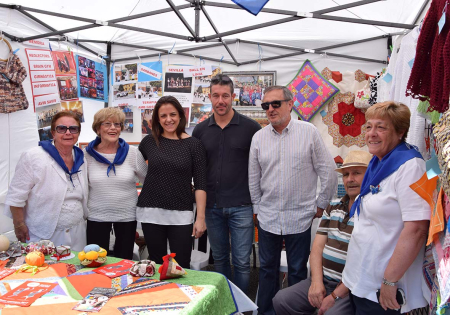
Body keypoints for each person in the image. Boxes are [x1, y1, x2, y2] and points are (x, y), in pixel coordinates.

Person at [249, 85, 337, 315]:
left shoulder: (309, 132)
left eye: (275, 104)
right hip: (268, 217)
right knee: (267, 270)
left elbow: (327, 170)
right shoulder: (258, 138)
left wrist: (321, 203)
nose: (270, 109)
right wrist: (257, 208)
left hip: (300, 216)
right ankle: (266, 312)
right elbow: (253, 177)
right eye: (265, 105)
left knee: (298, 271)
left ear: (291, 104)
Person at [342, 101, 430, 314]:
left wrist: (390, 282)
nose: (372, 133)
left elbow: (417, 229)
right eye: (369, 127)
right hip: (363, 280)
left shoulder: (411, 167)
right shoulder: (377, 162)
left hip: (384, 288)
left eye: (381, 127)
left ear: (400, 132)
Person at [272, 150, 372, 315]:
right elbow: (317, 248)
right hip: (324, 280)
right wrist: (316, 283)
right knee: (281, 300)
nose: (350, 179)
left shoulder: (371, 210)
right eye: (346, 174)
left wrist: (334, 295)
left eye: (356, 173)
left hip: (351, 288)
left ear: (370, 175)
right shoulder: (333, 206)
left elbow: (366, 263)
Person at [192, 74, 261, 294]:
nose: (220, 101)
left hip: (241, 205)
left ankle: (241, 307)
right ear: (209, 97)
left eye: (225, 96)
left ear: (233, 97)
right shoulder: (200, 131)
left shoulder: (251, 129)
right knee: (220, 259)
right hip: (212, 206)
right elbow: (198, 171)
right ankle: (224, 303)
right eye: (215, 96)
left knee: (241, 262)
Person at [137, 96, 207, 268]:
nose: (168, 120)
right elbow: (137, 170)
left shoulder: (194, 145)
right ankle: (159, 296)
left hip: (181, 214)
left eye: (173, 114)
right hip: (151, 212)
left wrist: (201, 218)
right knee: (156, 264)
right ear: (157, 119)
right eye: (163, 116)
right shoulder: (149, 142)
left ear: (181, 116)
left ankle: (182, 296)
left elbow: (200, 184)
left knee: (181, 265)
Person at [4, 112, 88, 251]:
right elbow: (16, 196)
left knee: (78, 270)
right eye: (62, 128)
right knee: (49, 271)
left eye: (73, 129)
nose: (68, 133)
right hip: (44, 234)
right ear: (53, 133)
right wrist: (18, 224)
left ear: (78, 133)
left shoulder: (81, 157)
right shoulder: (34, 156)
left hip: (78, 231)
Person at [84, 108, 147, 260]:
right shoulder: (87, 155)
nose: (113, 128)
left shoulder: (132, 153)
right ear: (98, 128)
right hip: (96, 216)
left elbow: (147, 180)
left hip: (127, 216)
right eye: (107, 124)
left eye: (117, 124)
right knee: (95, 259)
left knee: (124, 260)